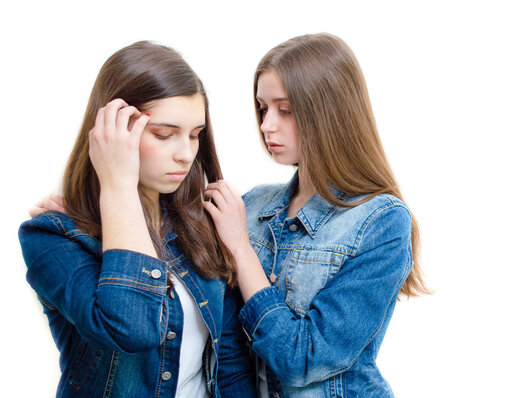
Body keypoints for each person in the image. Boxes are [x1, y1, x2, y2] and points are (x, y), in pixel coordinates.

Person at [18, 41, 256, 398]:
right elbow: (132, 327)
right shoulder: (53, 238)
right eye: (163, 135)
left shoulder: (199, 225)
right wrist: (117, 185)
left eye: (195, 135)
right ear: (113, 132)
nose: (186, 154)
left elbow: (230, 363)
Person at [204, 33, 430, 397]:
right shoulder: (253, 205)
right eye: (263, 108)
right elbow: (226, 347)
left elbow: (304, 359)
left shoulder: (381, 222)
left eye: (285, 110)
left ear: (329, 111)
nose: (266, 125)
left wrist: (242, 251)